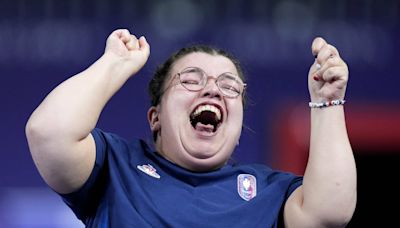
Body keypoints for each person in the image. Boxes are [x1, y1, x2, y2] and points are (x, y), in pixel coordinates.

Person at [25, 29, 356, 227]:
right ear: (155, 117)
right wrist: (115, 63)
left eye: (229, 86)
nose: (212, 90)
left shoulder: (271, 193)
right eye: (191, 80)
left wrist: (328, 101)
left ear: (239, 127)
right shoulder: (114, 168)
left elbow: (329, 214)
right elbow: (50, 133)